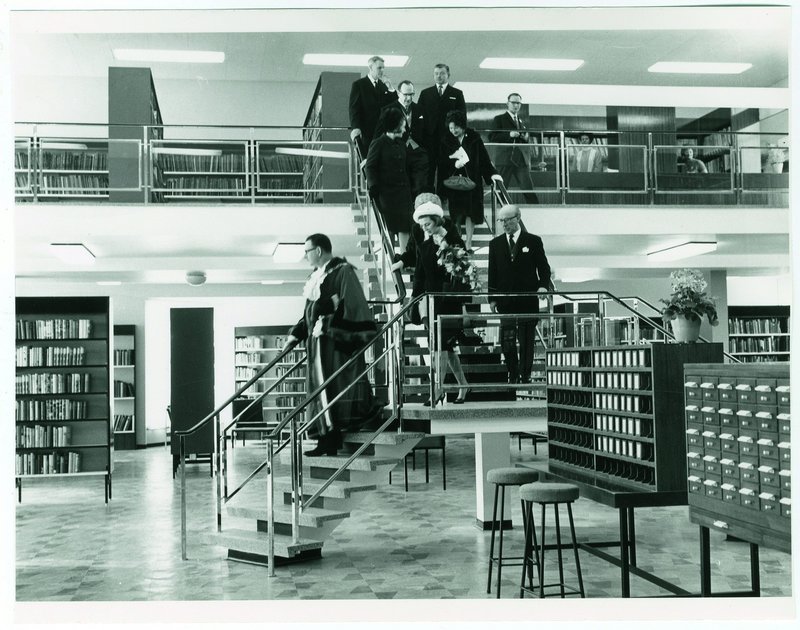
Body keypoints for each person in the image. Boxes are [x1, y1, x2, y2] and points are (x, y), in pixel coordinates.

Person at [284, 234, 384, 456]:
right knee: (320, 391)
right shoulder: (315, 276)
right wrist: (296, 335)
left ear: (318, 251)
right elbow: (309, 314)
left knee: (333, 390)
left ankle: (331, 440)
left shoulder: (343, 271)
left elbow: (354, 305)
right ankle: (325, 439)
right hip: (318, 346)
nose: (305, 256)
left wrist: (329, 323)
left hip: (335, 346)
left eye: (307, 251)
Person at [410, 198, 471, 405]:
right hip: (430, 301)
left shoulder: (454, 241)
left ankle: (437, 389)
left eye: (427, 224)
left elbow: (463, 270)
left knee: (441, 346)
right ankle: (462, 385)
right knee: (443, 347)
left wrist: (446, 246)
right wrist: (414, 299)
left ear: (437, 221)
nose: (424, 228)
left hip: (448, 301)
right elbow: (419, 275)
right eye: (422, 225)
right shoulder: (424, 245)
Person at [488, 204, 552, 387]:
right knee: (507, 340)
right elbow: (493, 272)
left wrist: (543, 287)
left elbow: (544, 268)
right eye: (501, 220)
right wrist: (491, 298)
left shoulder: (533, 241)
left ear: (518, 218)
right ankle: (513, 373)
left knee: (526, 341)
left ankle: (525, 375)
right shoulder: (495, 244)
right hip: (505, 300)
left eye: (507, 220)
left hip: (527, 299)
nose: (504, 224)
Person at [441, 109, 503, 252]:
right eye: (450, 128)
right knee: (456, 213)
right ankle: (457, 241)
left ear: (462, 125)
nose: (453, 131)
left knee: (471, 212)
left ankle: (468, 242)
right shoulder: (446, 140)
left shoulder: (474, 137)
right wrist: (454, 165)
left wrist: (492, 174)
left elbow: (484, 159)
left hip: (472, 181)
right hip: (454, 181)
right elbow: (442, 162)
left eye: (456, 127)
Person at [365, 107, 413, 253]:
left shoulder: (401, 144)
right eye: (402, 124)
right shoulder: (378, 143)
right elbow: (370, 166)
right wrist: (373, 186)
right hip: (386, 193)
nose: (405, 128)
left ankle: (404, 256)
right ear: (394, 124)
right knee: (390, 227)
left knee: (405, 226)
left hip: (403, 192)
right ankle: (391, 256)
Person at [374, 79, 429, 200]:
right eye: (405, 94)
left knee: (421, 185)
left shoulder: (420, 109)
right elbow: (378, 134)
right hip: (398, 152)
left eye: (411, 94)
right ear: (399, 93)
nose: (408, 98)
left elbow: (427, 133)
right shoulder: (387, 110)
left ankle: (418, 212)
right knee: (403, 186)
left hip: (418, 153)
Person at [417, 63, 466, 193]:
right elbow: (419, 116)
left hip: (449, 139)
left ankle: (443, 198)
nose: (439, 76)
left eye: (442, 73)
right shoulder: (425, 93)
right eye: (436, 74)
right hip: (429, 140)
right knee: (428, 170)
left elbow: (462, 117)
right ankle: (428, 198)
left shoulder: (456, 93)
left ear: (448, 75)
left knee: (446, 169)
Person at [489, 93, 540, 204]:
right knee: (501, 190)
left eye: (518, 103)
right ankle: (498, 213)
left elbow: (522, 141)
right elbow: (492, 137)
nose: (516, 105)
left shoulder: (521, 121)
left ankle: (537, 211)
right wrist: (509, 135)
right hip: (504, 159)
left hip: (520, 159)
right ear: (507, 103)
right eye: (513, 102)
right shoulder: (499, 119)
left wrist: (525, 138)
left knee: (528, 189)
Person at [391, 192, 460, 273]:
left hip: (444, 276)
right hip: (423, 277)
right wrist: (401, 262)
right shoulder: (417, 228)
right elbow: (411, 252)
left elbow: (459, 249)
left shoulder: (448, 226)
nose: (424, 228)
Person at [348, 56, 398, 158]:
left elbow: (394, 104)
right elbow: (354, 108)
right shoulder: (359, 84)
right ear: (371, 67)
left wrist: (390, 88)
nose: (382, 70)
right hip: (366, 132)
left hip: (382, 133)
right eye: (379, 68)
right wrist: (355, 127)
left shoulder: (384, 86)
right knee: (368, 163)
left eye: (383, 68)